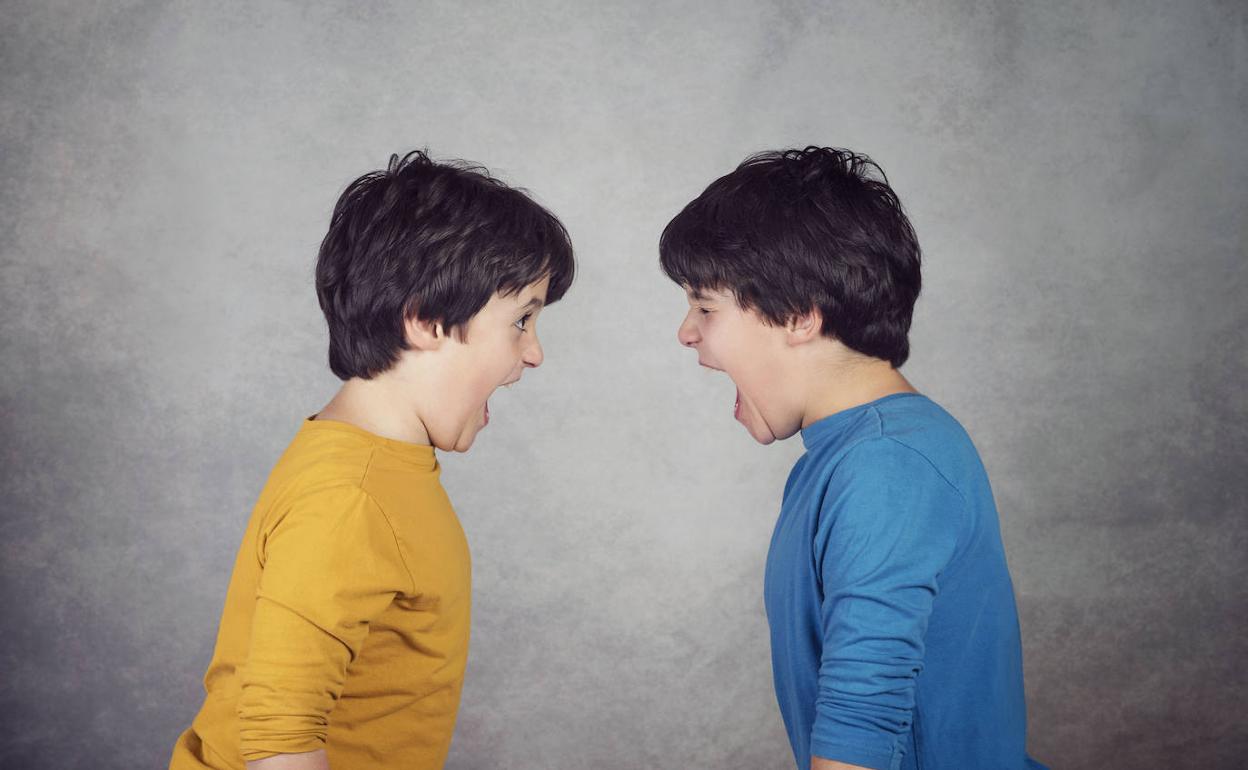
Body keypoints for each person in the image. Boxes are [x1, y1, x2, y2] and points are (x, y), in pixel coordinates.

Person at [169, 150, 575, 770]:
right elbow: (279, 739)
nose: (535, 351)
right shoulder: (348, 497)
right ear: (426, 320)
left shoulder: (378, 470)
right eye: (521, 319)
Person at [660, 147, 1047, 770]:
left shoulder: (887, 465)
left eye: (705, 307)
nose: (686, 331)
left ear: (799, 315)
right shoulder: (851, 455)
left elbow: (861, 727)